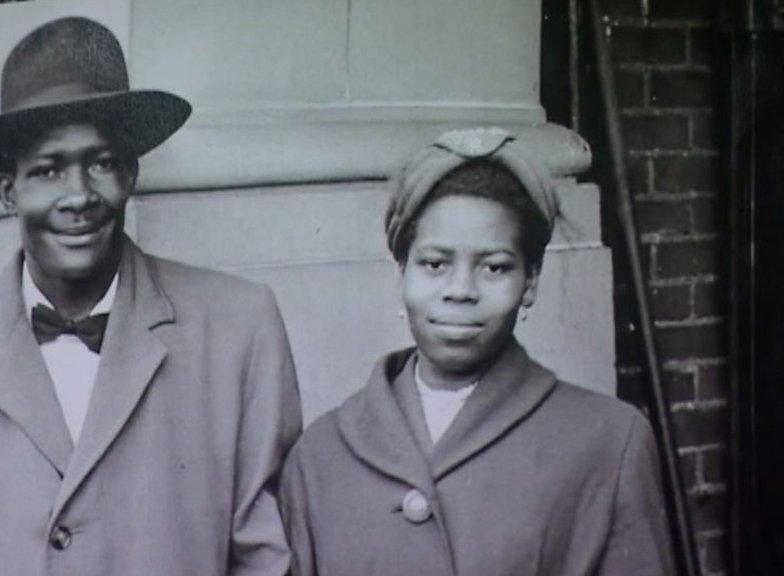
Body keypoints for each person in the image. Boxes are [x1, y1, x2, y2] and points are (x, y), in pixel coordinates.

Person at [0, 17, 301, 576]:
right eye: (48, 170)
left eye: (101, 163)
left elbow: (269, 559)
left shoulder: (240, 330)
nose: (79, 195)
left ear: (131, 174)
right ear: (7, 191)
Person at [278, 127, 676, 576]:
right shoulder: (320, 456)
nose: (460, 291)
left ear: (530, 282)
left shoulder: (609, 442)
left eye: (494, 267)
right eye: (434, 264)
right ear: (402, 272)